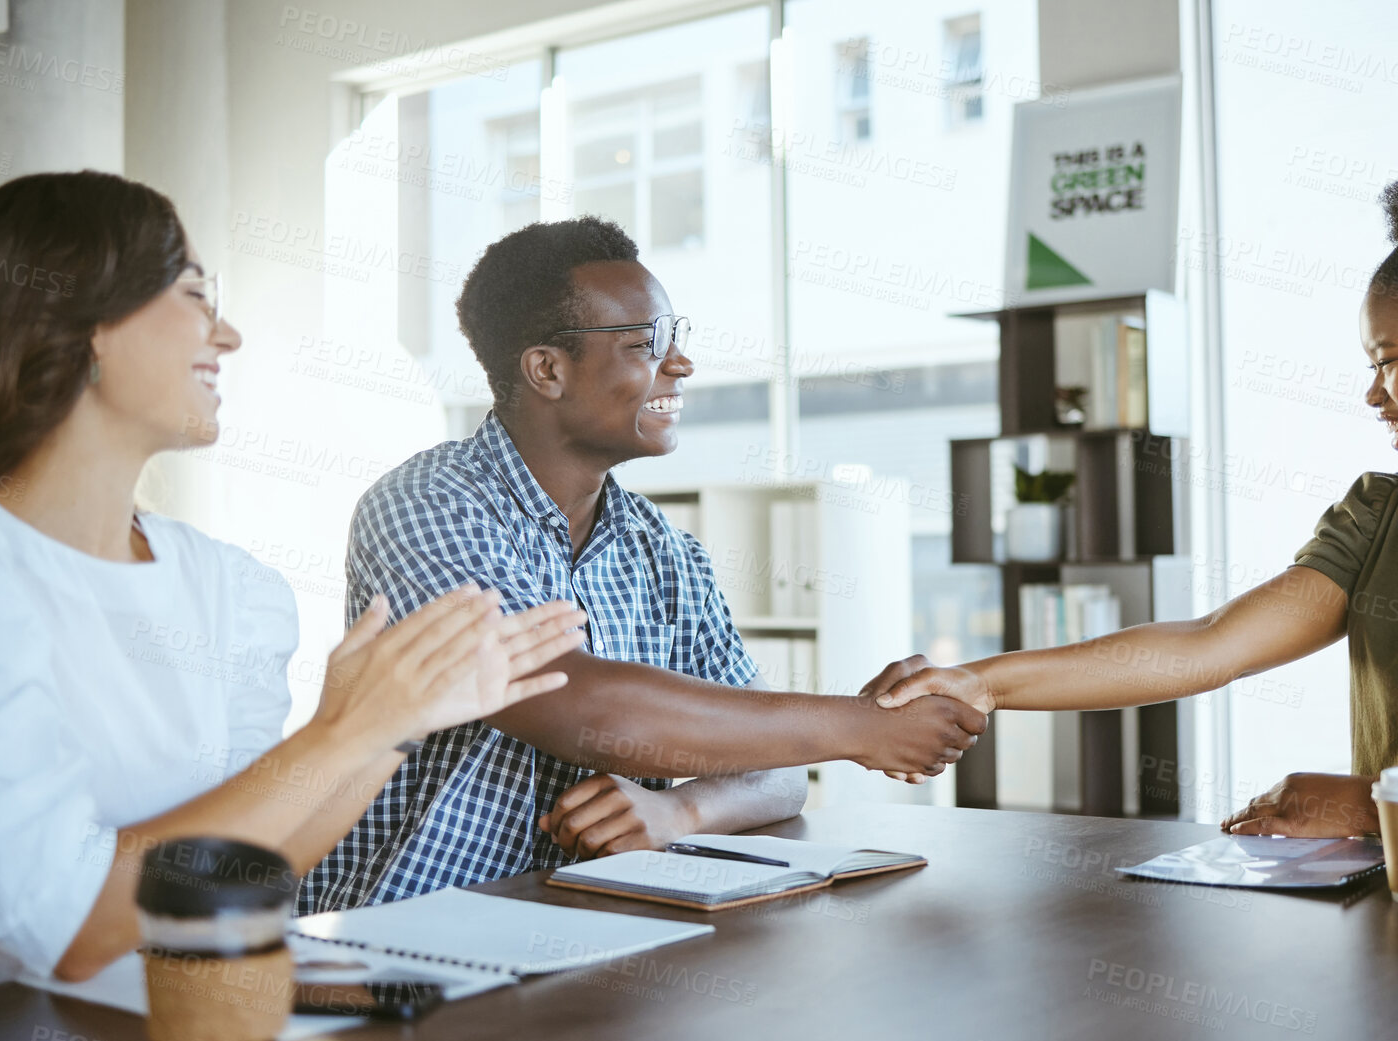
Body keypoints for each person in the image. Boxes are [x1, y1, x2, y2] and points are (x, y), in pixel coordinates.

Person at [0, 171, 586, 1008]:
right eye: (194, 296)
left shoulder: (227, 586)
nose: (231, 335)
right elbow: (65, 926)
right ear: (84, 325)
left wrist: (394, 728)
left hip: (174, 1039)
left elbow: (261, 864)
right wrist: (337, 730)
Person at [866, 162, 1398, 854]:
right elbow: (1209, 645)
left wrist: (1367, 804)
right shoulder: (1385, 512)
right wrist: (983, 681)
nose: (1374, 392)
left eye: (1389, 360)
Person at [299, 217, 985, 914]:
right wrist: (860, 727)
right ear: (547, 370)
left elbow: (778, 776)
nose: (680, 364)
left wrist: (677, 814)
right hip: (401, 940)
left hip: (597, 938)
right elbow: (569, 700)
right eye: (646, 345)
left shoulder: (664, 550)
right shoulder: (427, 504)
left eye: (676, 338)